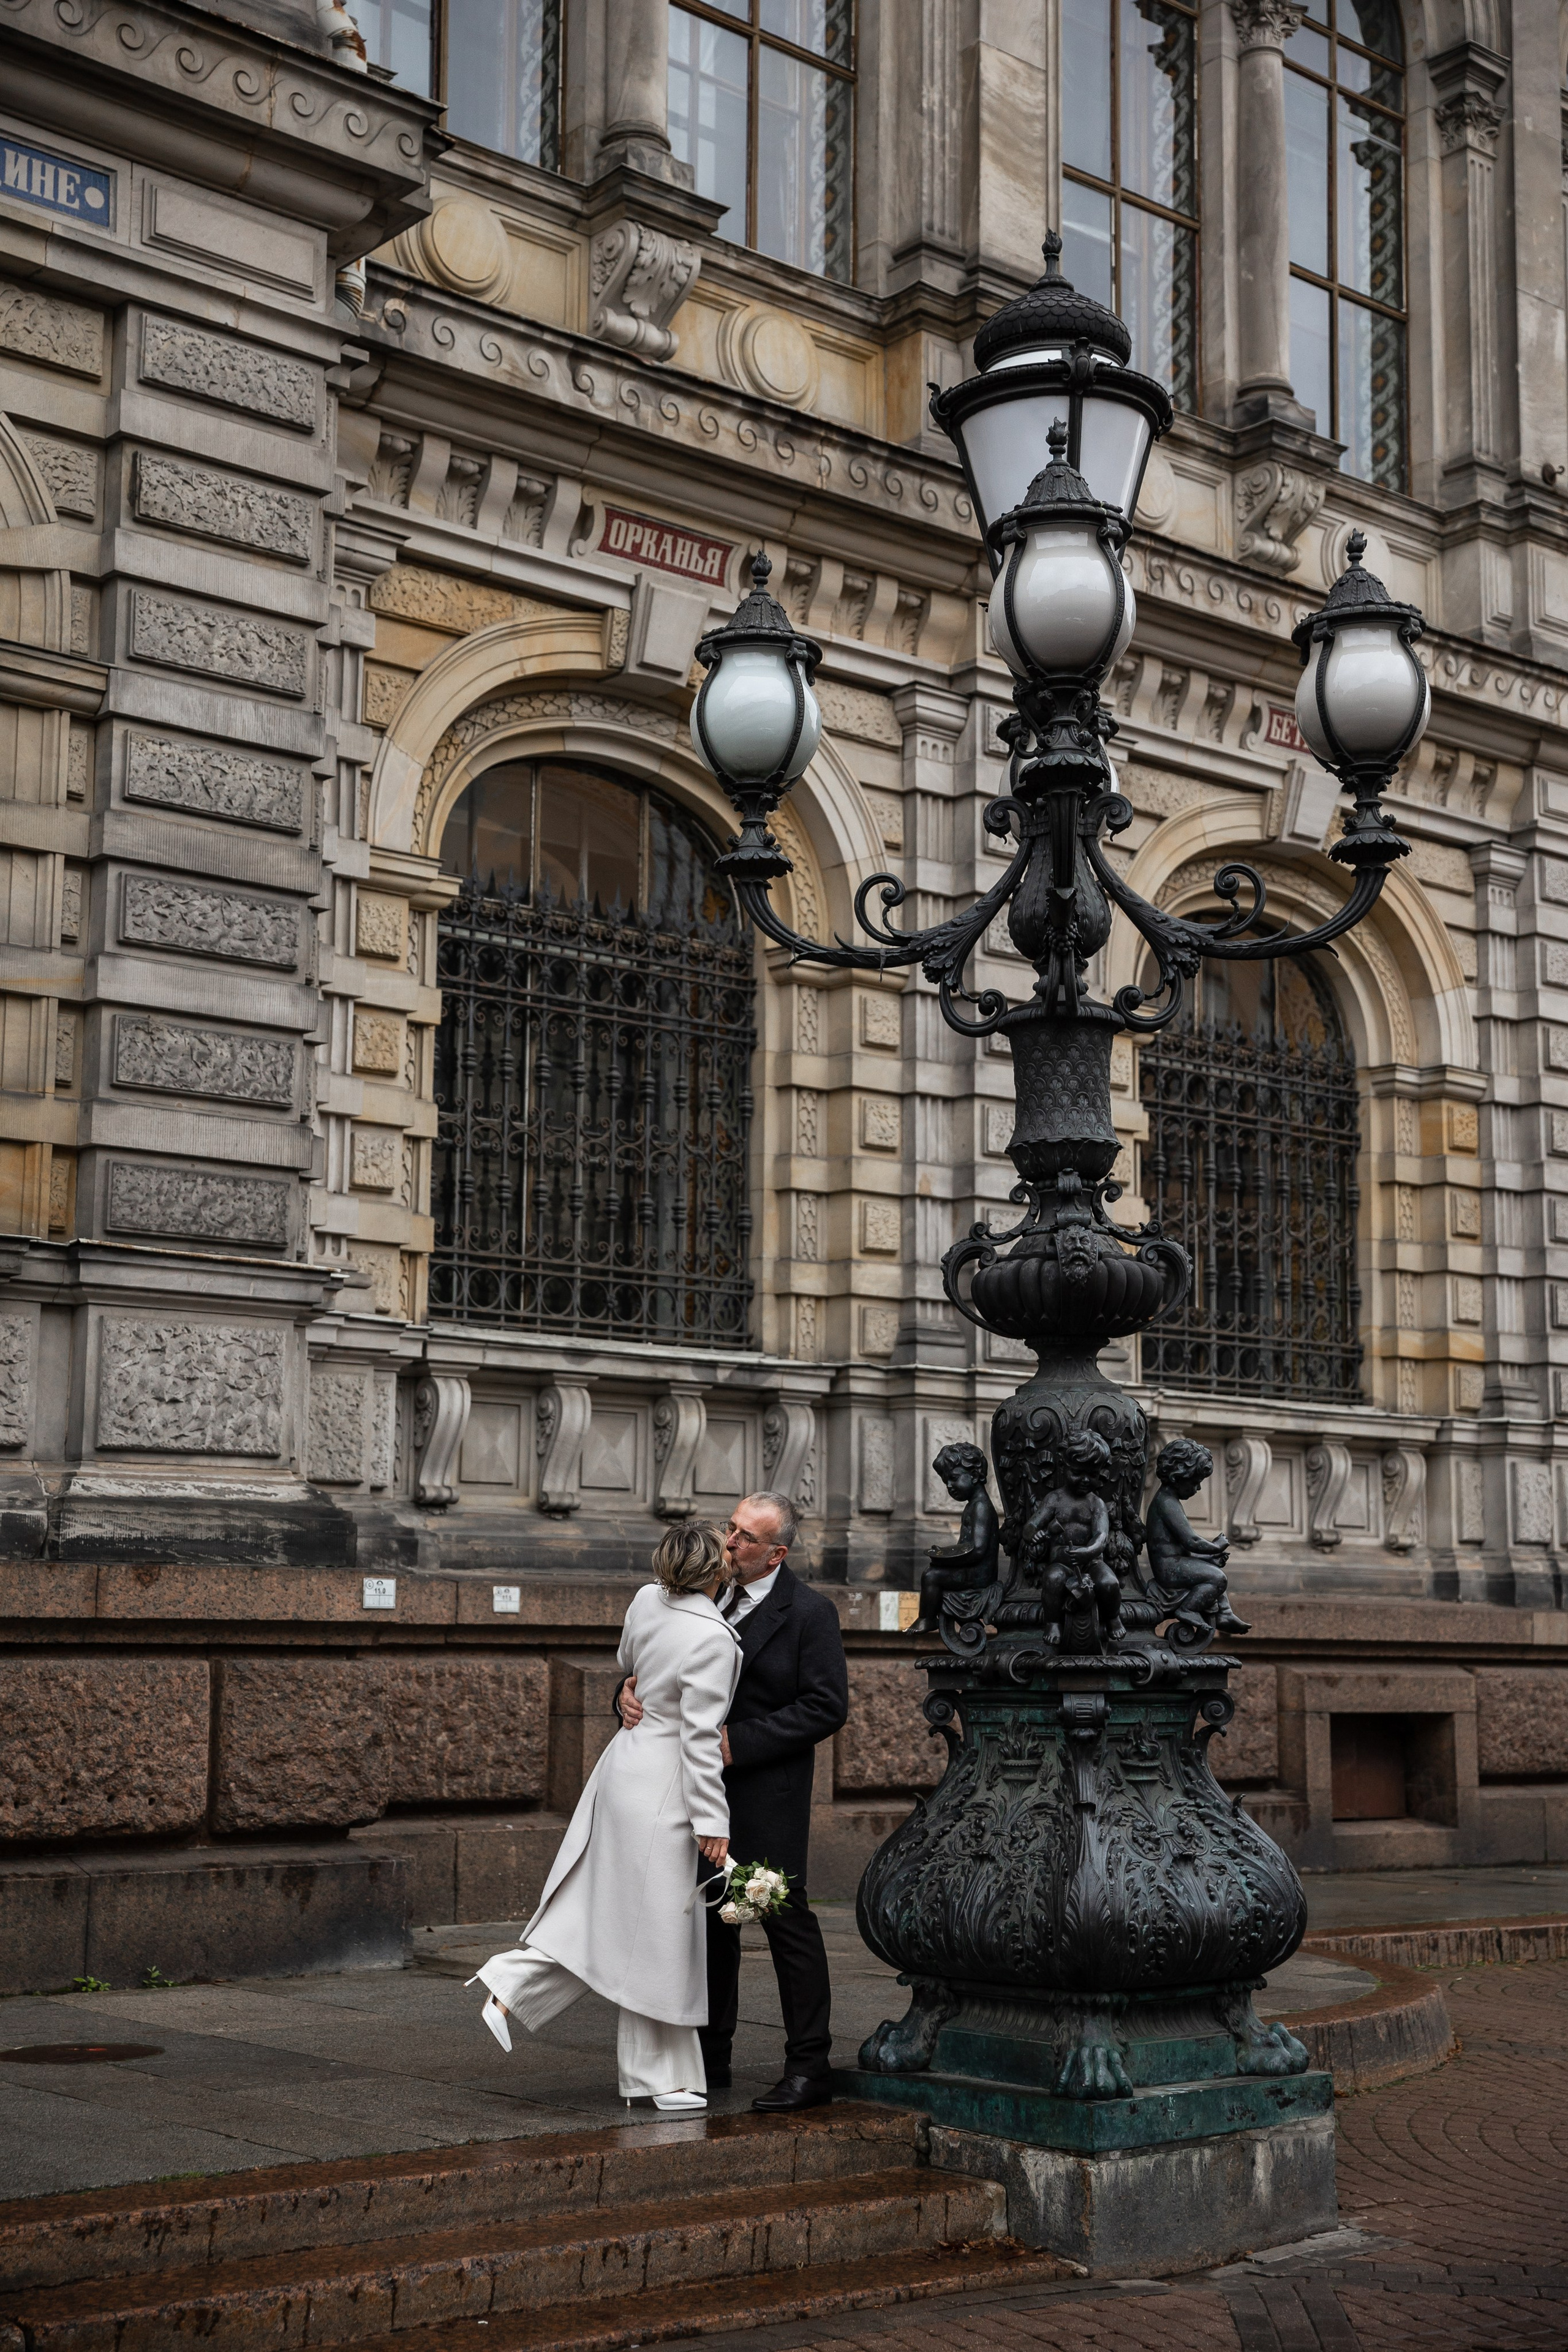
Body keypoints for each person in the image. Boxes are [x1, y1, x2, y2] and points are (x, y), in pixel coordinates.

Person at [470, 1520, 740, 2113]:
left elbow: (629, 1661)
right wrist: (711, 1821)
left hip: (624, 1771)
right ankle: (658, 2078)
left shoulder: (647, 1598)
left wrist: (635, 1692)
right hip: (664, 1791)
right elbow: (699, 1740)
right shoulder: (714, 1637)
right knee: (659, 1935)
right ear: (715, 1571)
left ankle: (517, 1986)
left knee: (630, 1927)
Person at [617, 1490, 849, 2113]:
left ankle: (808, 2068)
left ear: (776, 1553)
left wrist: (736, 1743)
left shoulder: (809, 1613)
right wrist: (628, 1690)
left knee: (783, 1925)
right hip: (694, 1793)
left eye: (746, 1537)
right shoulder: (699, 1595)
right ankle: (709, 2059)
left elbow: (826, 1706)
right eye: (730, 1528)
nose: (729, 1542)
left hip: (763, 1793)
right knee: (708, 1927)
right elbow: (660, 1661)